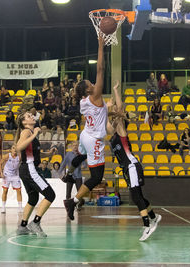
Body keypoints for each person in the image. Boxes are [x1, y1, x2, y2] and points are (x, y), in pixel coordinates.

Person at [108, 81, 161, 241]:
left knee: (135, 197)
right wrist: (105, 109)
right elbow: (106, 119)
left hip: (131, 165)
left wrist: (116, 92)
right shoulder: (112, 134)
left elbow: (119, 108)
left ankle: (146, 226)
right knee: (138, 195)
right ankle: (153, 216)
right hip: (127, 168)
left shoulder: (122, 131)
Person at [63, 35, 107, 221]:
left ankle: (68, 174)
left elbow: (100, 114)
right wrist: (100, 45)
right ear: (88, 90)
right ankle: (72, 201)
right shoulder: (95, 95)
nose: (93, 83)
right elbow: (101, 68)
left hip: (85, 134)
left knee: (82, 156)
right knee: (96, 177)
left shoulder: (83, 102)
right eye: (90, 83)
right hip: (94, 138)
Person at [15, 112, 57, 237]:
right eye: (28, 116)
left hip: (26, 169)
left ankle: (23, 226)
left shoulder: (29, 133)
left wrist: (48, 154)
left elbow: (35, 153)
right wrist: (35, 134)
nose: (32, 116)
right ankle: (35, 223)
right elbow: (18, 147)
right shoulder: (26, 132)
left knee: (33, 199)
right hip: (29, 169)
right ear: (24, 122)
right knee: (50, 194)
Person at [59, 141, 86, 209]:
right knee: (68, 192)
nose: (75, 147)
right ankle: (68, 206)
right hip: (70, 176)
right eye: (74, 145)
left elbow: (85, 164)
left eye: (76, 145)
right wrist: (60, 173)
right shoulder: (68, 154)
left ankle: (79, 205)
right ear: (71, 146)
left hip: (78, 176)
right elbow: (63, 164)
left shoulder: (81, 154)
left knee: (79, 192)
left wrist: (83, 166)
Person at [0, 145, 22, 214]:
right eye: (13, 148)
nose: (15, 149)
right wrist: (1, 172)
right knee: (5, 190)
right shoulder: (7, 156)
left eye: (16, 148)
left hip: (15, 175)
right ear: (11, 150)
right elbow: (0, 163)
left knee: (19, 191)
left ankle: (20, 207)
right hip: (7, 175)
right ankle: (3, 207)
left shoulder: (19, 156)